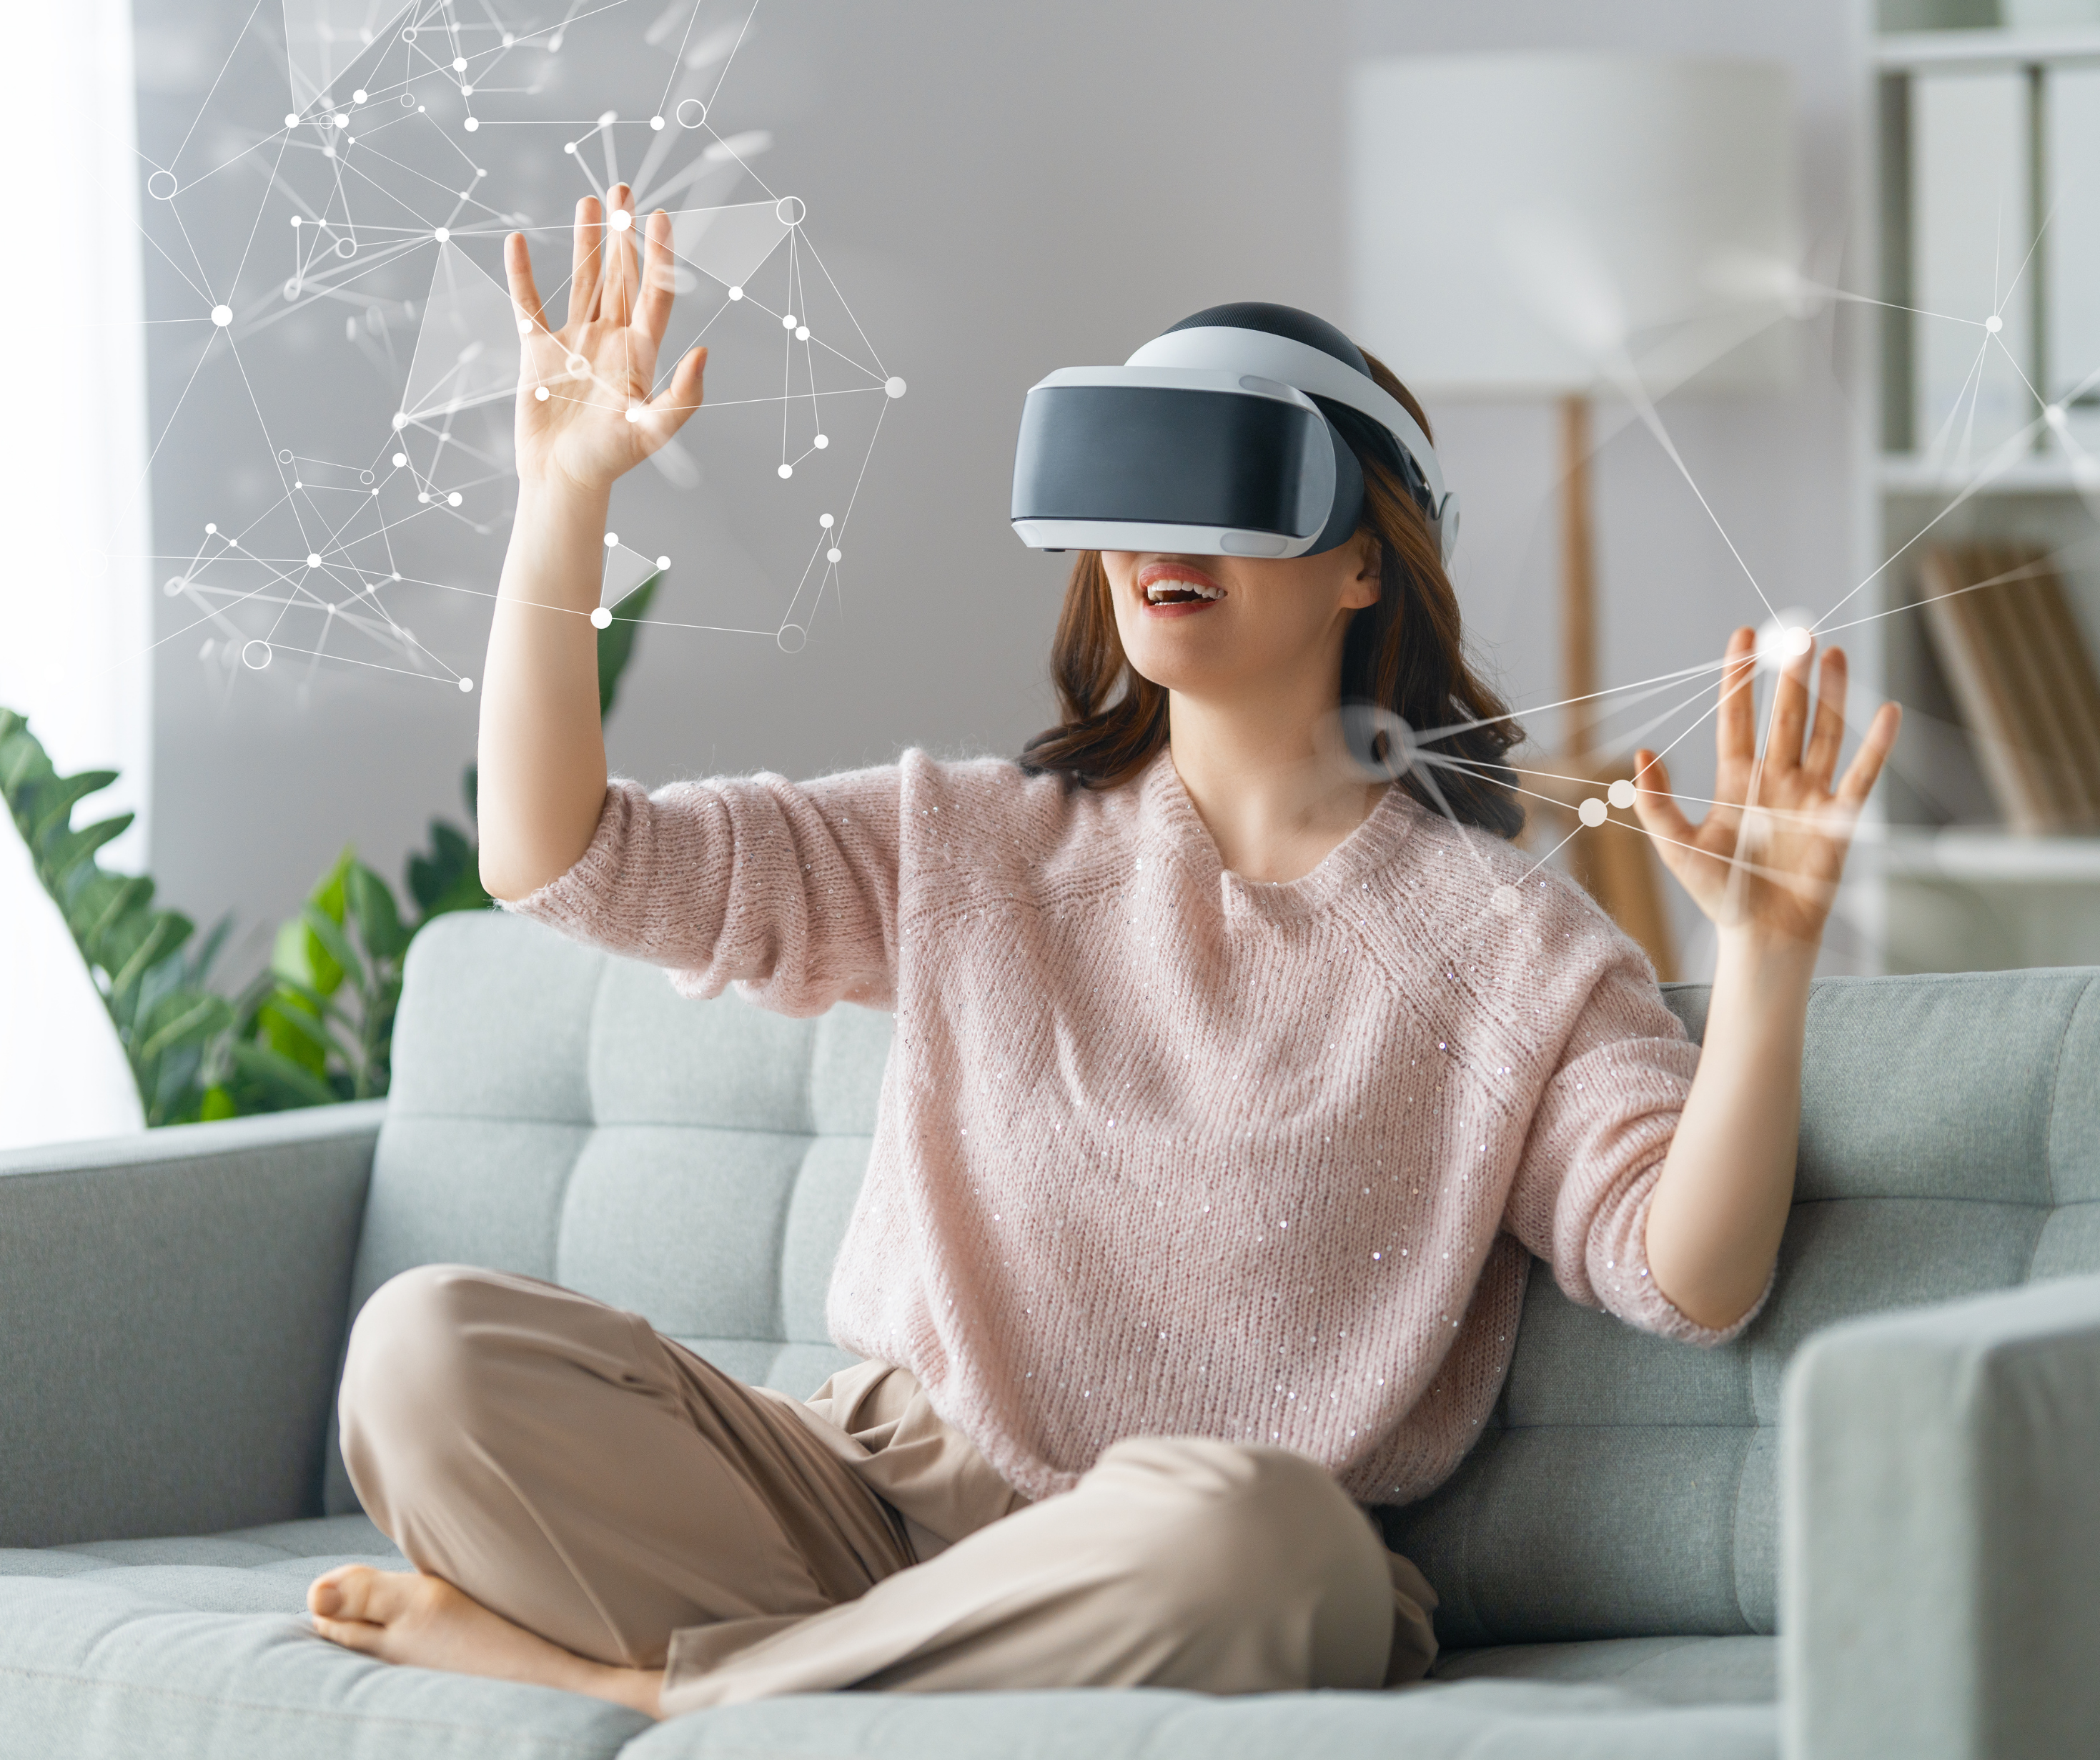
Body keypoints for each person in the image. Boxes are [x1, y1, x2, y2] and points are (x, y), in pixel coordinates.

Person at [307, 186, 1899, 1720]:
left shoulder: (1504, 944)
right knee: (425, 1350)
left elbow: (1685, 1272)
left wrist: (1760, 956)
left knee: (1271, 1547)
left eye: (1225, 474)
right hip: (863, 1499)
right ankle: (865, 1677)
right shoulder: (971, 841)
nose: (1159, 528)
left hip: (1193, 1561)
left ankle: (656, 1689)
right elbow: (563, 863)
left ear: (1366, 559)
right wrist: (561, 498)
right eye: (1128, 479)